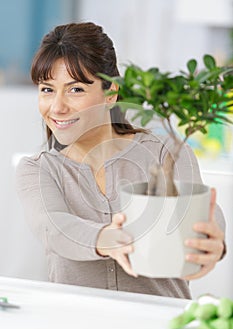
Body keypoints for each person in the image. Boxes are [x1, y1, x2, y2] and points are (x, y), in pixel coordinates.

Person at [16, 22, 226, 299]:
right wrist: (109, 240)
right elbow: (54, 227)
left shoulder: (165, 151)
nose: (57, 107)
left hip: (160, 328)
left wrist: (214, 241)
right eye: (47, 89)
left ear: (111, 92)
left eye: (75, 89)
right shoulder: (38, 169)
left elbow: (201, 211)